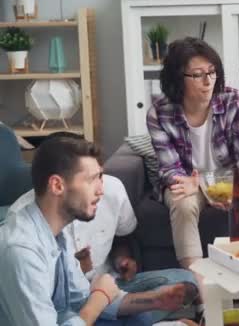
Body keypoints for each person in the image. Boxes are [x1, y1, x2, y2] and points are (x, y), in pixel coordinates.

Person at [0, 136, 189, 325]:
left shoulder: (57, 231)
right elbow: (94, 302)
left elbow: (81, 298)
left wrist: (156, 301)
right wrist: (98, 298)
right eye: (91, 180)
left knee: (139, 315)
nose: (101, 190)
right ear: (57, 185)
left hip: (72, 318)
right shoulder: (22, 251)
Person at [147, 37, 239, 309]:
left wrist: (212, 185)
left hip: (230, 177)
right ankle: (204, 299)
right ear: (178, 79)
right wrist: (200, 188)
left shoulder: (234, 101)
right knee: (183, 203)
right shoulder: (160, 112)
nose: (208, 81)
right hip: (184, 182)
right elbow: (169, 169)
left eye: (212, 72)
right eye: (198, 75)